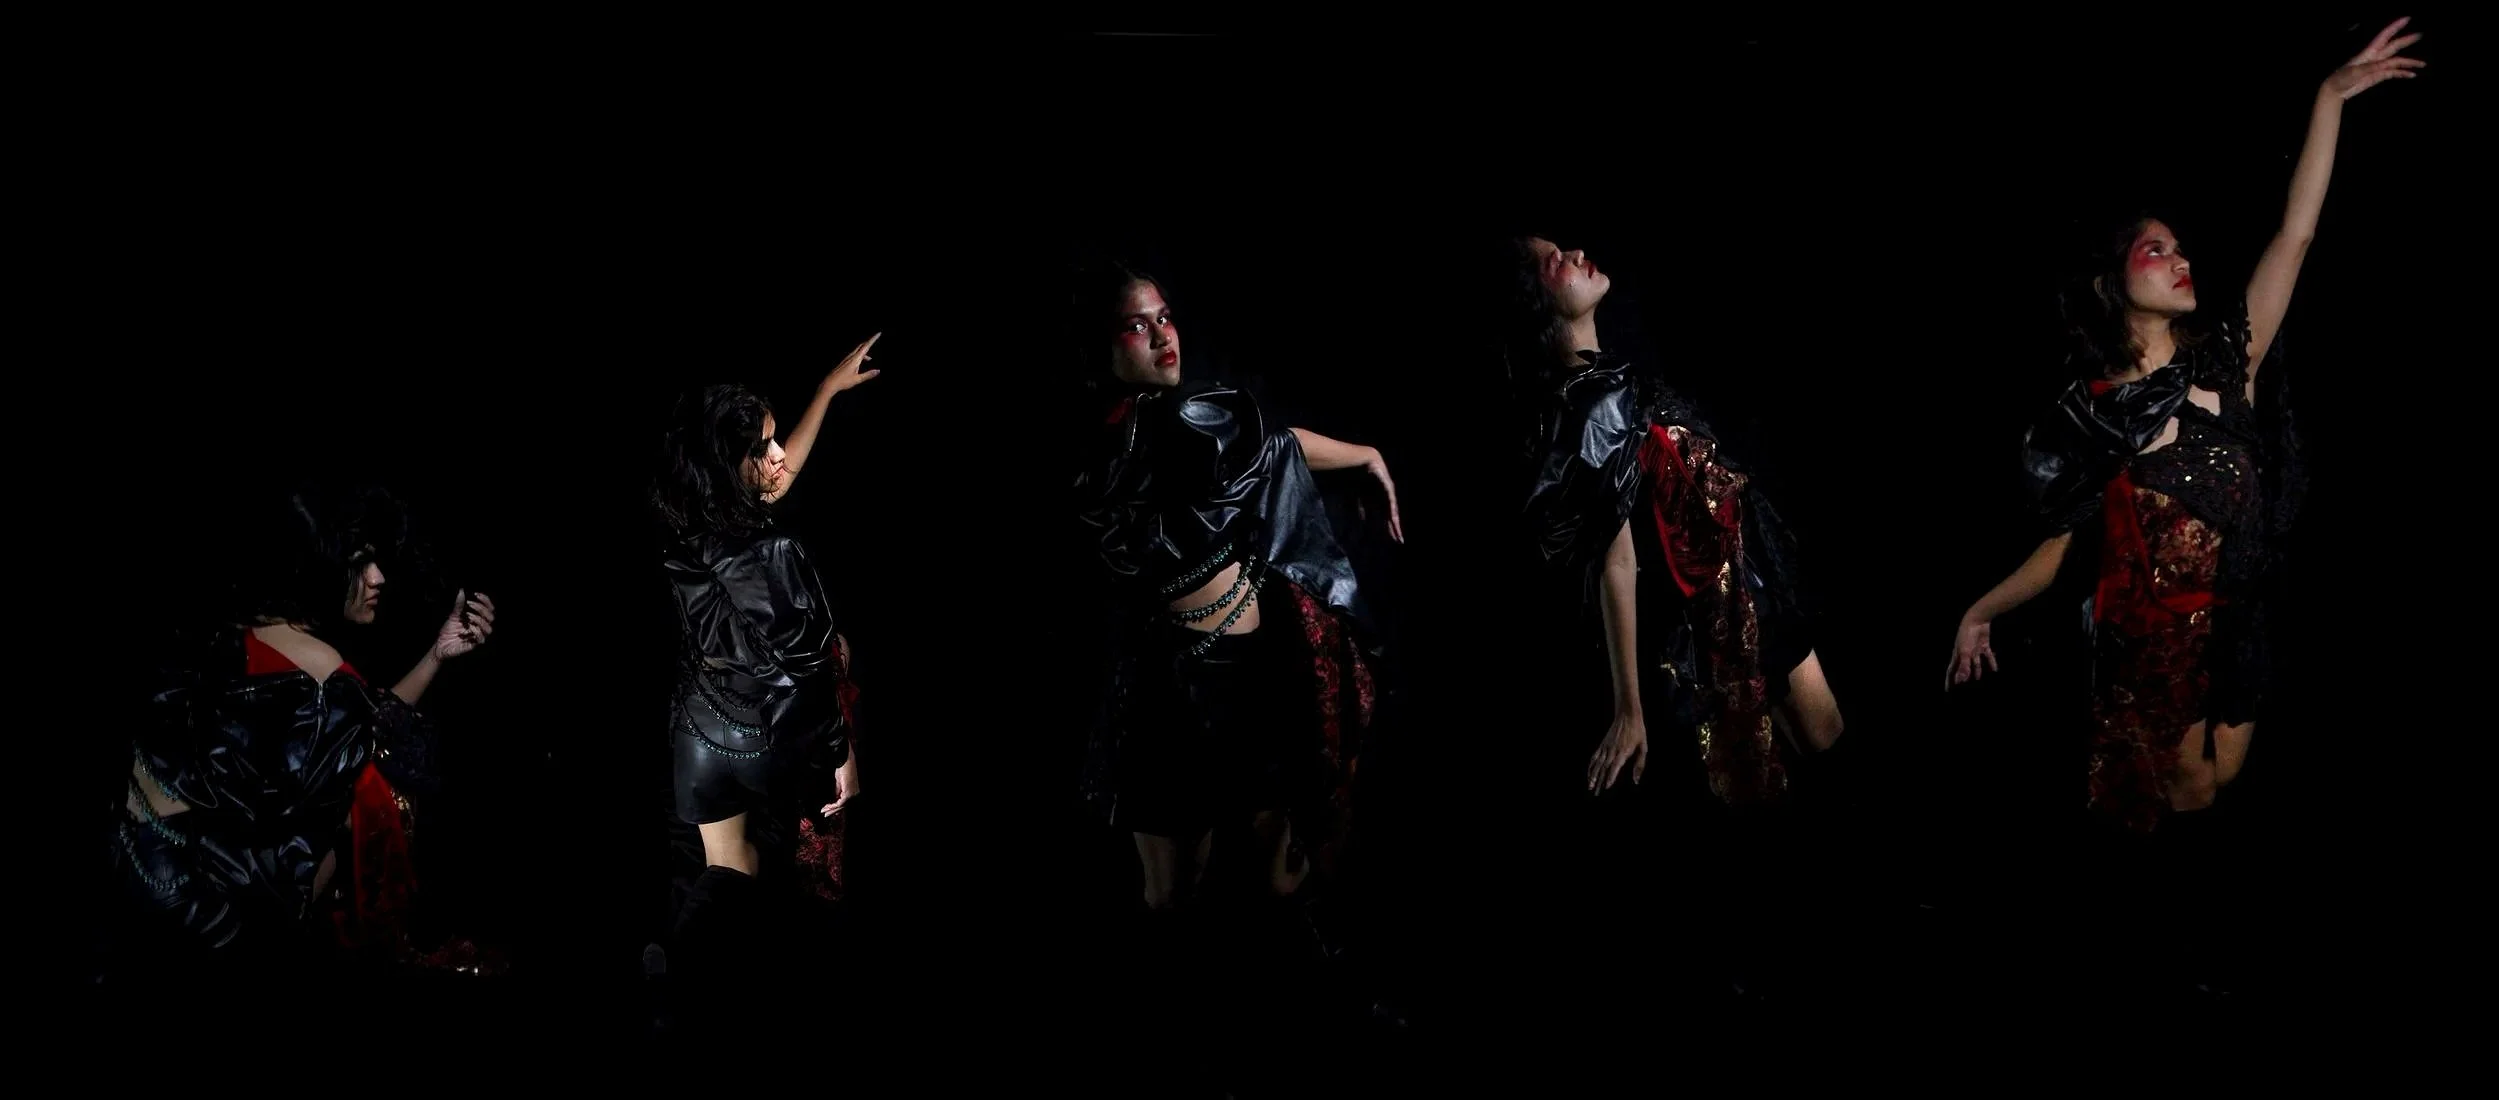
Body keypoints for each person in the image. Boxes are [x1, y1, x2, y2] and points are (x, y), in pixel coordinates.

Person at [1945, 18, 2420, 833]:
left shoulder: (2225, 367)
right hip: (2151, 634)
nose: (2180, 259)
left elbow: (2295, 235)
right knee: (2181, 792)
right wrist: (1978, 610)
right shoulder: (2098, 413)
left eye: (2179, 248)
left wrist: (2329, 98)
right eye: (2155, 250)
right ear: (2111, 282)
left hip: (2237, 621)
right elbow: (2063, 546)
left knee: (2218, 779)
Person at [1069, 262, 1395, 916]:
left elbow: (1277, 446)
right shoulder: (1102, 444)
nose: (1163, 336)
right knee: (1171, 892)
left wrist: (1366, 455)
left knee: (1273, 876)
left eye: (1165, 318)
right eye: (1137, 325)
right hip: (1160, 681)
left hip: (1248, 674)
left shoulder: (1199, 415)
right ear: (1104, 346)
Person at [109, 484, 496, 987]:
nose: (378, 578)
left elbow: (362, 720)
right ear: (319, 564)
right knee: (372, 800)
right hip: (203, 910)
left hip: (132, 870)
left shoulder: (245, 633)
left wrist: (436, 654)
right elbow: (370, 736)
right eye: (359, 563)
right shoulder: (322, 671)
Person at [651, 336, 877, 999]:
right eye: (762, 447)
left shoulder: (689, 517)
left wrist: (827, 391)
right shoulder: (770, 548)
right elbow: (805, 660)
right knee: (777, 891)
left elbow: (772, 478)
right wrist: (842, 749)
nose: (778, 457)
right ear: (731, 464)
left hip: (698, 737)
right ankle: (708, 995)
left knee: (727, 875)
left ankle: (678, 985)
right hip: (764, 738)